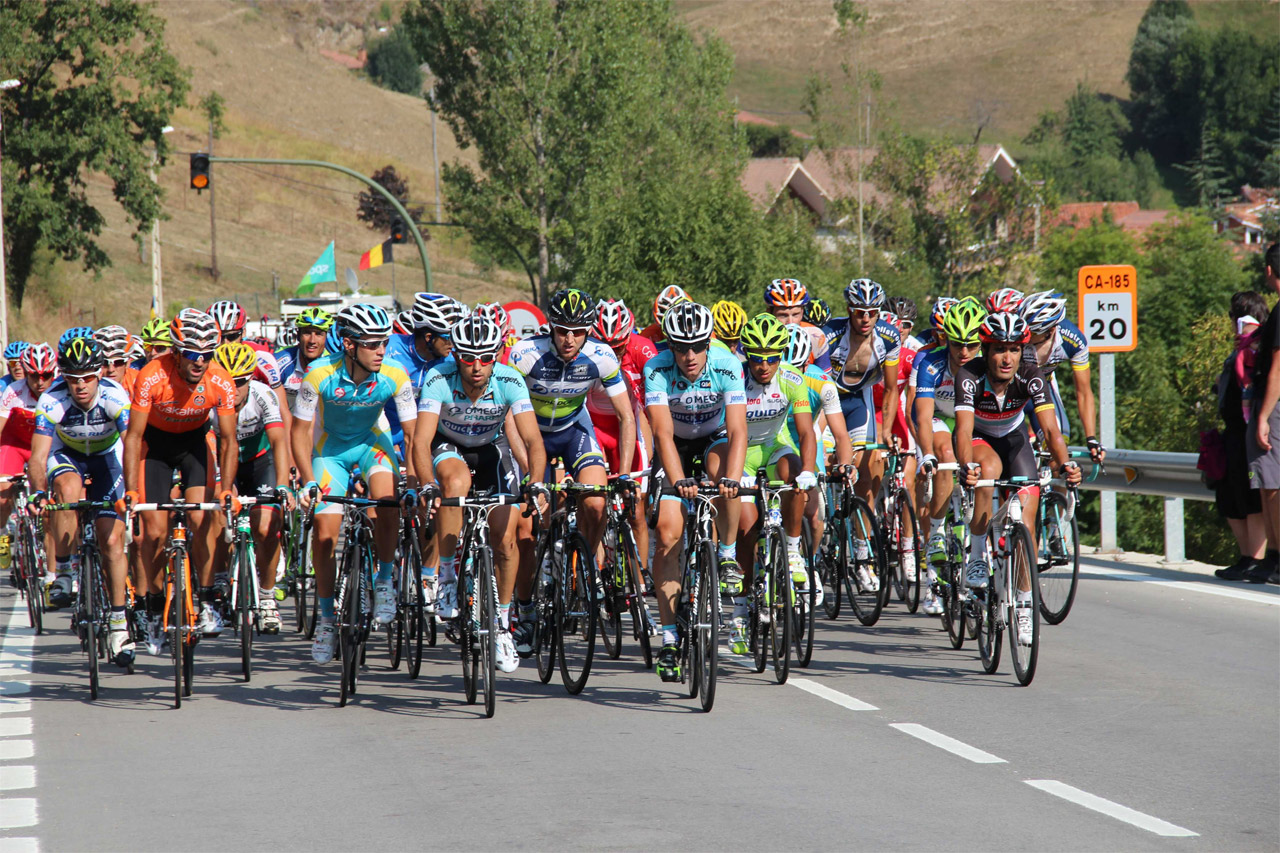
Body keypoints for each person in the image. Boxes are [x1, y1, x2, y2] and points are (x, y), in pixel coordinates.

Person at [412, 315, 548, 673]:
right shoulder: (439, 377)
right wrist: (428, 484)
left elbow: (533, 440)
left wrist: (536, 480)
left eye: (486, 358)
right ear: (456, 355)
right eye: (469, 357)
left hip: (491, 448)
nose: (476, 367)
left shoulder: (509, 379)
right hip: (449, 446)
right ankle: (444, 575)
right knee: (454, 485)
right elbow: (422, 441)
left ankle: (502, 624)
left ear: (496, 356)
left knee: (506, 540)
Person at [291, 304, 416, 664]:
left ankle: (384, 581)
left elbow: (410, 433)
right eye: (373, 343)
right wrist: (308, 481)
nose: (382, 350)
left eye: (385, 342)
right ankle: (327, 620)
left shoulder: (395, 373)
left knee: (388, 501)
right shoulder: (317, 374)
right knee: (326, 532)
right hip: (330, 451)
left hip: (372, 445)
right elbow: (299, 434)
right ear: (348, 344)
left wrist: (412, 480)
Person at [954, 311, 1081, 645]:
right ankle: (979, 554)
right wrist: (966, 465)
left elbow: (1051, 430)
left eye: (1013, 349)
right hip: (980, 439)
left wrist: (1065, 464)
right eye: (998, 349)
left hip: (1014, 439)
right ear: (986, 351)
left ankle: (1025, 607)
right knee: (987, 471)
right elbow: (963, 431)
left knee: (1027, 518)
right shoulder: (969, 375)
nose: (1006, 357)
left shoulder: (1031, 375)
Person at [508, 288, 636, 608]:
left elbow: (626, 416)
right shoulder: (525, 353)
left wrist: (624, 473)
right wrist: (528, 470)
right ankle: (535, 581)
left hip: (573, 431)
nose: (569, 338)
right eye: (562, 330)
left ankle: (589, 564)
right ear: (551, 326)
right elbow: (508, 415)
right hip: (531, 433)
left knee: (596, 501)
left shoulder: (602, 356)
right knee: (536, 519)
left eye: (578, 331)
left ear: (588, 330)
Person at [644, 301, 747, 682]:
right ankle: (670, 639)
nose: (689, 356)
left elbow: (738, 431)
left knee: (724, 476)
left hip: (713, 439)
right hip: (674, 446)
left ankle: (726, 554)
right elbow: (661, 433)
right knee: (668, 535)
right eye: (681, 347)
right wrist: (678, 479)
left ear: (709, 342)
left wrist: (733, 481)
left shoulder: (726, 364)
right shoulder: (655, 368)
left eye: (697, 346)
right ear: (669, 344)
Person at [122, 310, 239, 642]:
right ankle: (154, 603)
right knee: (154, 533)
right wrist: (131, 490)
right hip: (155, 448)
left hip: (193, 446)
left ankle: (206, 600)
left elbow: (229, 439)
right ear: (175, 351)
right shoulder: (151, 375)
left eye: (207, 354)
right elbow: (133, 437)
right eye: (191, 353)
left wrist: (227, 489)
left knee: (203, 521)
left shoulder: (219, 380)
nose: (200, 361)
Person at [29, 334, 134, 665]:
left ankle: (119, 625)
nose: (81, 386)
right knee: (68, 491)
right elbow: (38, 455)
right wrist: (37, 492)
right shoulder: (52, 400)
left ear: (100, 373)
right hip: (68, 458)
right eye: (73, 380)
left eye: (88, 378)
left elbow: (132, 444)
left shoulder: (116, 396)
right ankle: (63, 571)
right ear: (64, 377)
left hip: (107, 459)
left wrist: (133, 491)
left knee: (112, 541)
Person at [729, 313, 816, 655]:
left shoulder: (792, 379)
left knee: (795, 476)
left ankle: (792, 551)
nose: (764, 365)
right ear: (746, 354)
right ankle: (738, 612)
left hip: (773, 446)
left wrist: (808, 470)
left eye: (772, 357)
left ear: (781, 356)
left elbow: (806, 431)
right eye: (757, 357)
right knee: (746, 535)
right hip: (741, 452)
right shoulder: (734, 378)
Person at [210, 342, 293, 633]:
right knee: (217, 513)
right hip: (222, 457)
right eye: (227, 382)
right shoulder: (207, 399)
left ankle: (268, 597)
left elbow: (280, 441)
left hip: (259, 462)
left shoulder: (263, 395)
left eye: (241, 382)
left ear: (251, 378)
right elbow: (210, 448)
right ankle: (220, 578)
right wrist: (222, 484)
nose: (233, 389)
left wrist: (283, 485)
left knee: (266, 526)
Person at [908, 296, 984, 615]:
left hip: (975, 421)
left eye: (972, 344)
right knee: (943, 452)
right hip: (940, 419)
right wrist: (925, 454)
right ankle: (936, 532)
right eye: (957, 344)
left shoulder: (987, 366)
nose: (964, 352)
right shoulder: (930, 363)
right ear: (945, 340)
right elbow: (923, 417)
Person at [1214, 292, 1270, 580]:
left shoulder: (1257, 348)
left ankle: (1255, 559)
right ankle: (1246, 556)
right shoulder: (1240, 350)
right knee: (1229, 494)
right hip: (1234, 432)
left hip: (1248, 432)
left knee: (1250, 495)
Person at [0, 344, 58, 597]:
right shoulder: (14, 391)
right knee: (2, 492)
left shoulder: (59, 391)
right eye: (34, 375)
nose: (40, 381)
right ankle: (3, 533)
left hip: (44, 449)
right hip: (15, 444)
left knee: (48, 511)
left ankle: (53, 576)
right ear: (25, 373)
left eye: (46, 375)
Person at [1244, 242, 1280, 584]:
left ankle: (1277, 559)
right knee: (1268, 483)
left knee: (1272, 484)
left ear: (1270, 270)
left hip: (1274, 406)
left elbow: (1278, 369)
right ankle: (1271, 559)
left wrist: (1264, 417)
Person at [763, 277, 831, 371]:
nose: (790, 322)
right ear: (769, 313)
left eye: (796, 314)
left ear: (802, 312)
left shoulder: (816, 337)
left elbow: (825, 380)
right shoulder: (756, 336)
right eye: (783, 315)